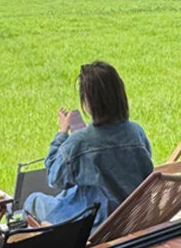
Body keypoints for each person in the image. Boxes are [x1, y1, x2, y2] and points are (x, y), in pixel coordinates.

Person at [24, 62, 153, 227]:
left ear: (88, 102)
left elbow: (54, 178)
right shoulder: (137, 132)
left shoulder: (79, 142)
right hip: (131, 220)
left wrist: (62, 133)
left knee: (33, 201)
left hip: (92, 225)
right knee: (70, 192)